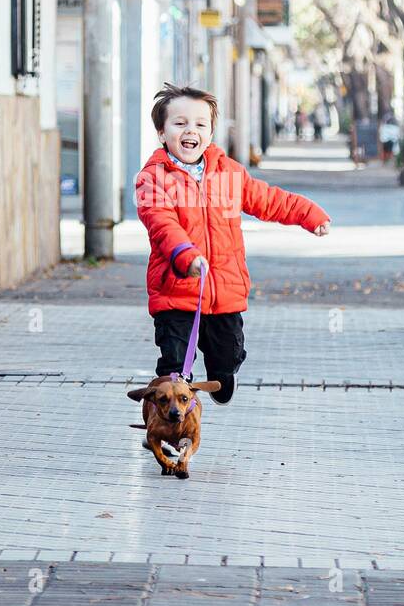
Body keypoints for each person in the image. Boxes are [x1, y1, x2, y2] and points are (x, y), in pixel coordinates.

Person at [136, 82, 331, 404]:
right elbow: (161, 223)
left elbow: (268, 200)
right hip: (176, 289)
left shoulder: (228, 173)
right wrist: (186, 255)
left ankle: (222, 374)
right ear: (161, 132)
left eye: (200, 124)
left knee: (227, 355)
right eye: (180, 123)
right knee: (174, 366)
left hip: (225, 290)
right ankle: (164, 421)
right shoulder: (153, 178)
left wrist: (309, 214)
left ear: (211, 132)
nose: (190, 131)